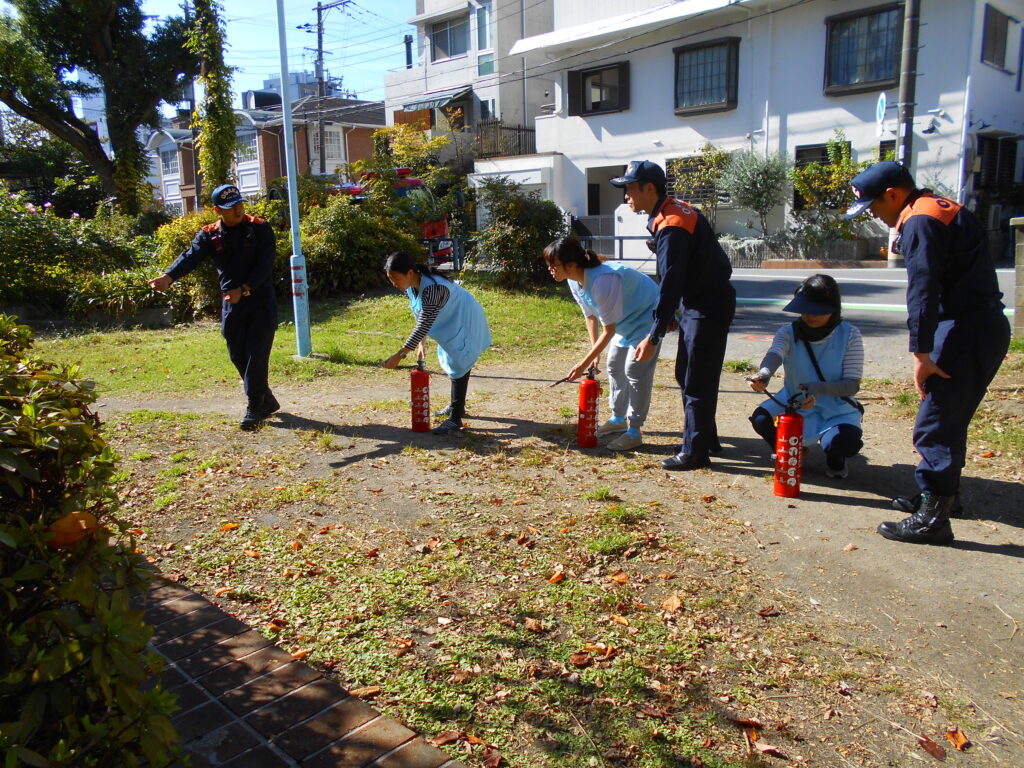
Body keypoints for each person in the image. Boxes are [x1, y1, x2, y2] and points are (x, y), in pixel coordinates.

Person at [845, 161, 1010, 544]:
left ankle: (934, 519)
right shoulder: (940, 208)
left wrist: (921, 354)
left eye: (873, 206)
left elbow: (923, 290)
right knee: (949, 417)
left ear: (893, 194)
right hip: (980, 326)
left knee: (935, 423)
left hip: (963, 331)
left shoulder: (920, 220)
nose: (874, 214)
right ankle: (942, 499)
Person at [611, 160, 736, 471]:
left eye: (629, 189)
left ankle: (695, 452)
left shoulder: (672, 225)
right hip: (702, 301)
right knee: (687, 374)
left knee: (696, 380)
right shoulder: (673, 211)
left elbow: (670, 284)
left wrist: (654, 335)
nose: (626, 196)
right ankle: (705, 438)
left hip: (707, 304)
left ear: (648, 188)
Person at [149, 184, 279, 431]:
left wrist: (244, 289)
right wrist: (168, 277)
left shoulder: (259, 228)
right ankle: (266, 398)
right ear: (218, 210)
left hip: (260, 299)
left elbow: (266, 266)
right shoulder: (210, 234)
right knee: (236, 353)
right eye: (231, 207)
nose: (239, 209)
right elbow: (191, 256)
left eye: (240, 204)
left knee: (256, 352)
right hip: (232, 302)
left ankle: (255, 405)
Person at [544, 237, 661, 451]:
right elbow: (591, 316)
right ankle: (618, 419)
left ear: (571, 264)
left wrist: (581, 365)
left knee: (634, 369)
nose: (550, 270)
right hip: (624, 320)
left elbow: (609, 330)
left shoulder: (603, 280)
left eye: (554, 265)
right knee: (614, 366)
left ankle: (634, 430)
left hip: (647, 315)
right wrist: (594, 356)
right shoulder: (574, 279)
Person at [748, 274, 864, 478]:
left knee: (844, 442)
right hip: (794, 399)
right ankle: (792, 449)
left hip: (835, 406)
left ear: (833, 307)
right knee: (760, 419)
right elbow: (775, 353)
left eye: (816, 310)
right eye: (804, 309)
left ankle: (835, 457)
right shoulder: (788, 332)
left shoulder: (850, 334)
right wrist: (764, 375)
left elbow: (851, 386)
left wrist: (817, 390)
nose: (809, 315)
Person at [381, 251, 491, 435]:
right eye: (390, 278)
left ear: (409, 273)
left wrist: (399, 355)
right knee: (453, 363)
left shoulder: (433, 289)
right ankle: (458, 408)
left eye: (395, 278)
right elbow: (422, 317)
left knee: (460, 364)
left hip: (465, 320)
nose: (393, 283)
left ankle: (455, 418)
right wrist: (420, 344)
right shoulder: (412, 287)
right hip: (450, 323)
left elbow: (424, 323)